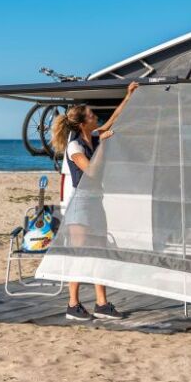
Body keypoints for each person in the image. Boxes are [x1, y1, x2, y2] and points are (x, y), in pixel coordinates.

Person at [51, 81, 139, 321]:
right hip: (80, 205)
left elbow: (112, 120)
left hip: (96, 202)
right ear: (83, 123)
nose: (96, 117)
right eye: (91, 115)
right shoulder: (75, 146)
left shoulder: (93, 136)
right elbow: (91, 172)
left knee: (100, 252)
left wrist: (128, 96)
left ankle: (101, 304)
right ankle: (72, 305)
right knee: (80, 253)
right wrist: (103, 146)